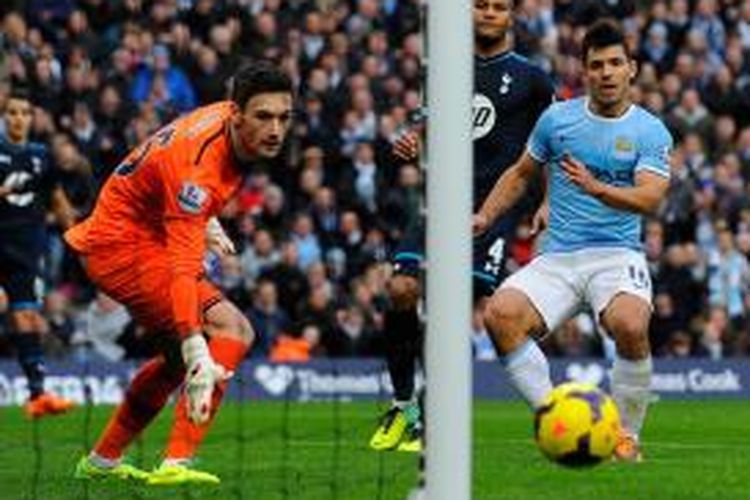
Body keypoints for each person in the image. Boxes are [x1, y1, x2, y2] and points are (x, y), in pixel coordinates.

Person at [66, 62, 294, 484]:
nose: (276, 129)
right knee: (233, 331)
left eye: (284, 117)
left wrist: (208, 221)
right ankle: (175, 464)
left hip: (132, 232)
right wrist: (195, 346)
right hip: (121, 247)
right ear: (238, 113)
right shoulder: (198, 170)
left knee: (172, 362)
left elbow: (163, 171)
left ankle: (100, 463)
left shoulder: (222, 124)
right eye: (264, 117)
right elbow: (182, 268)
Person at [474, 19, 673, 462]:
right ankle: (554, 417)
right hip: (559, 256)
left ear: (632, 69)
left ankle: (625, 437)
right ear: (584, 72)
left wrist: (597, 188)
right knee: (500, 315)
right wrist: (485, 215)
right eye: (597, 65)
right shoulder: (558, 120)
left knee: (631, 324)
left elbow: (650, 196)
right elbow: (522, 172)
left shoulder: (649, 130)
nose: (606, 72)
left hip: (617, 255)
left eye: (615, 63)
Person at [369, 0, 554, 452]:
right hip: (440, 204)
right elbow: (430, 130)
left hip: (489, 212)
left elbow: (552, 142)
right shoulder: (445, 70)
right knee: (400, 291)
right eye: (481, 6)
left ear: (511, 17)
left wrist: (548, 201)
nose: (489, 13)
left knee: (451, 312)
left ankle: (435, 421)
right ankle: (404, 406)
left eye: (498, 7)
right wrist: (414, 144)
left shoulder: (533, 78)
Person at [0, 88, 77, 418]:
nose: (19, 118)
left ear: (32, 118)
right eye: (13, 112)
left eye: (25, 112)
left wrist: (75, 233)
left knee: (27, 316)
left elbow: (57, 199)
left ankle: (37, 395)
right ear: (4, 118)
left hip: (26, 247)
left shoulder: (41, 155)